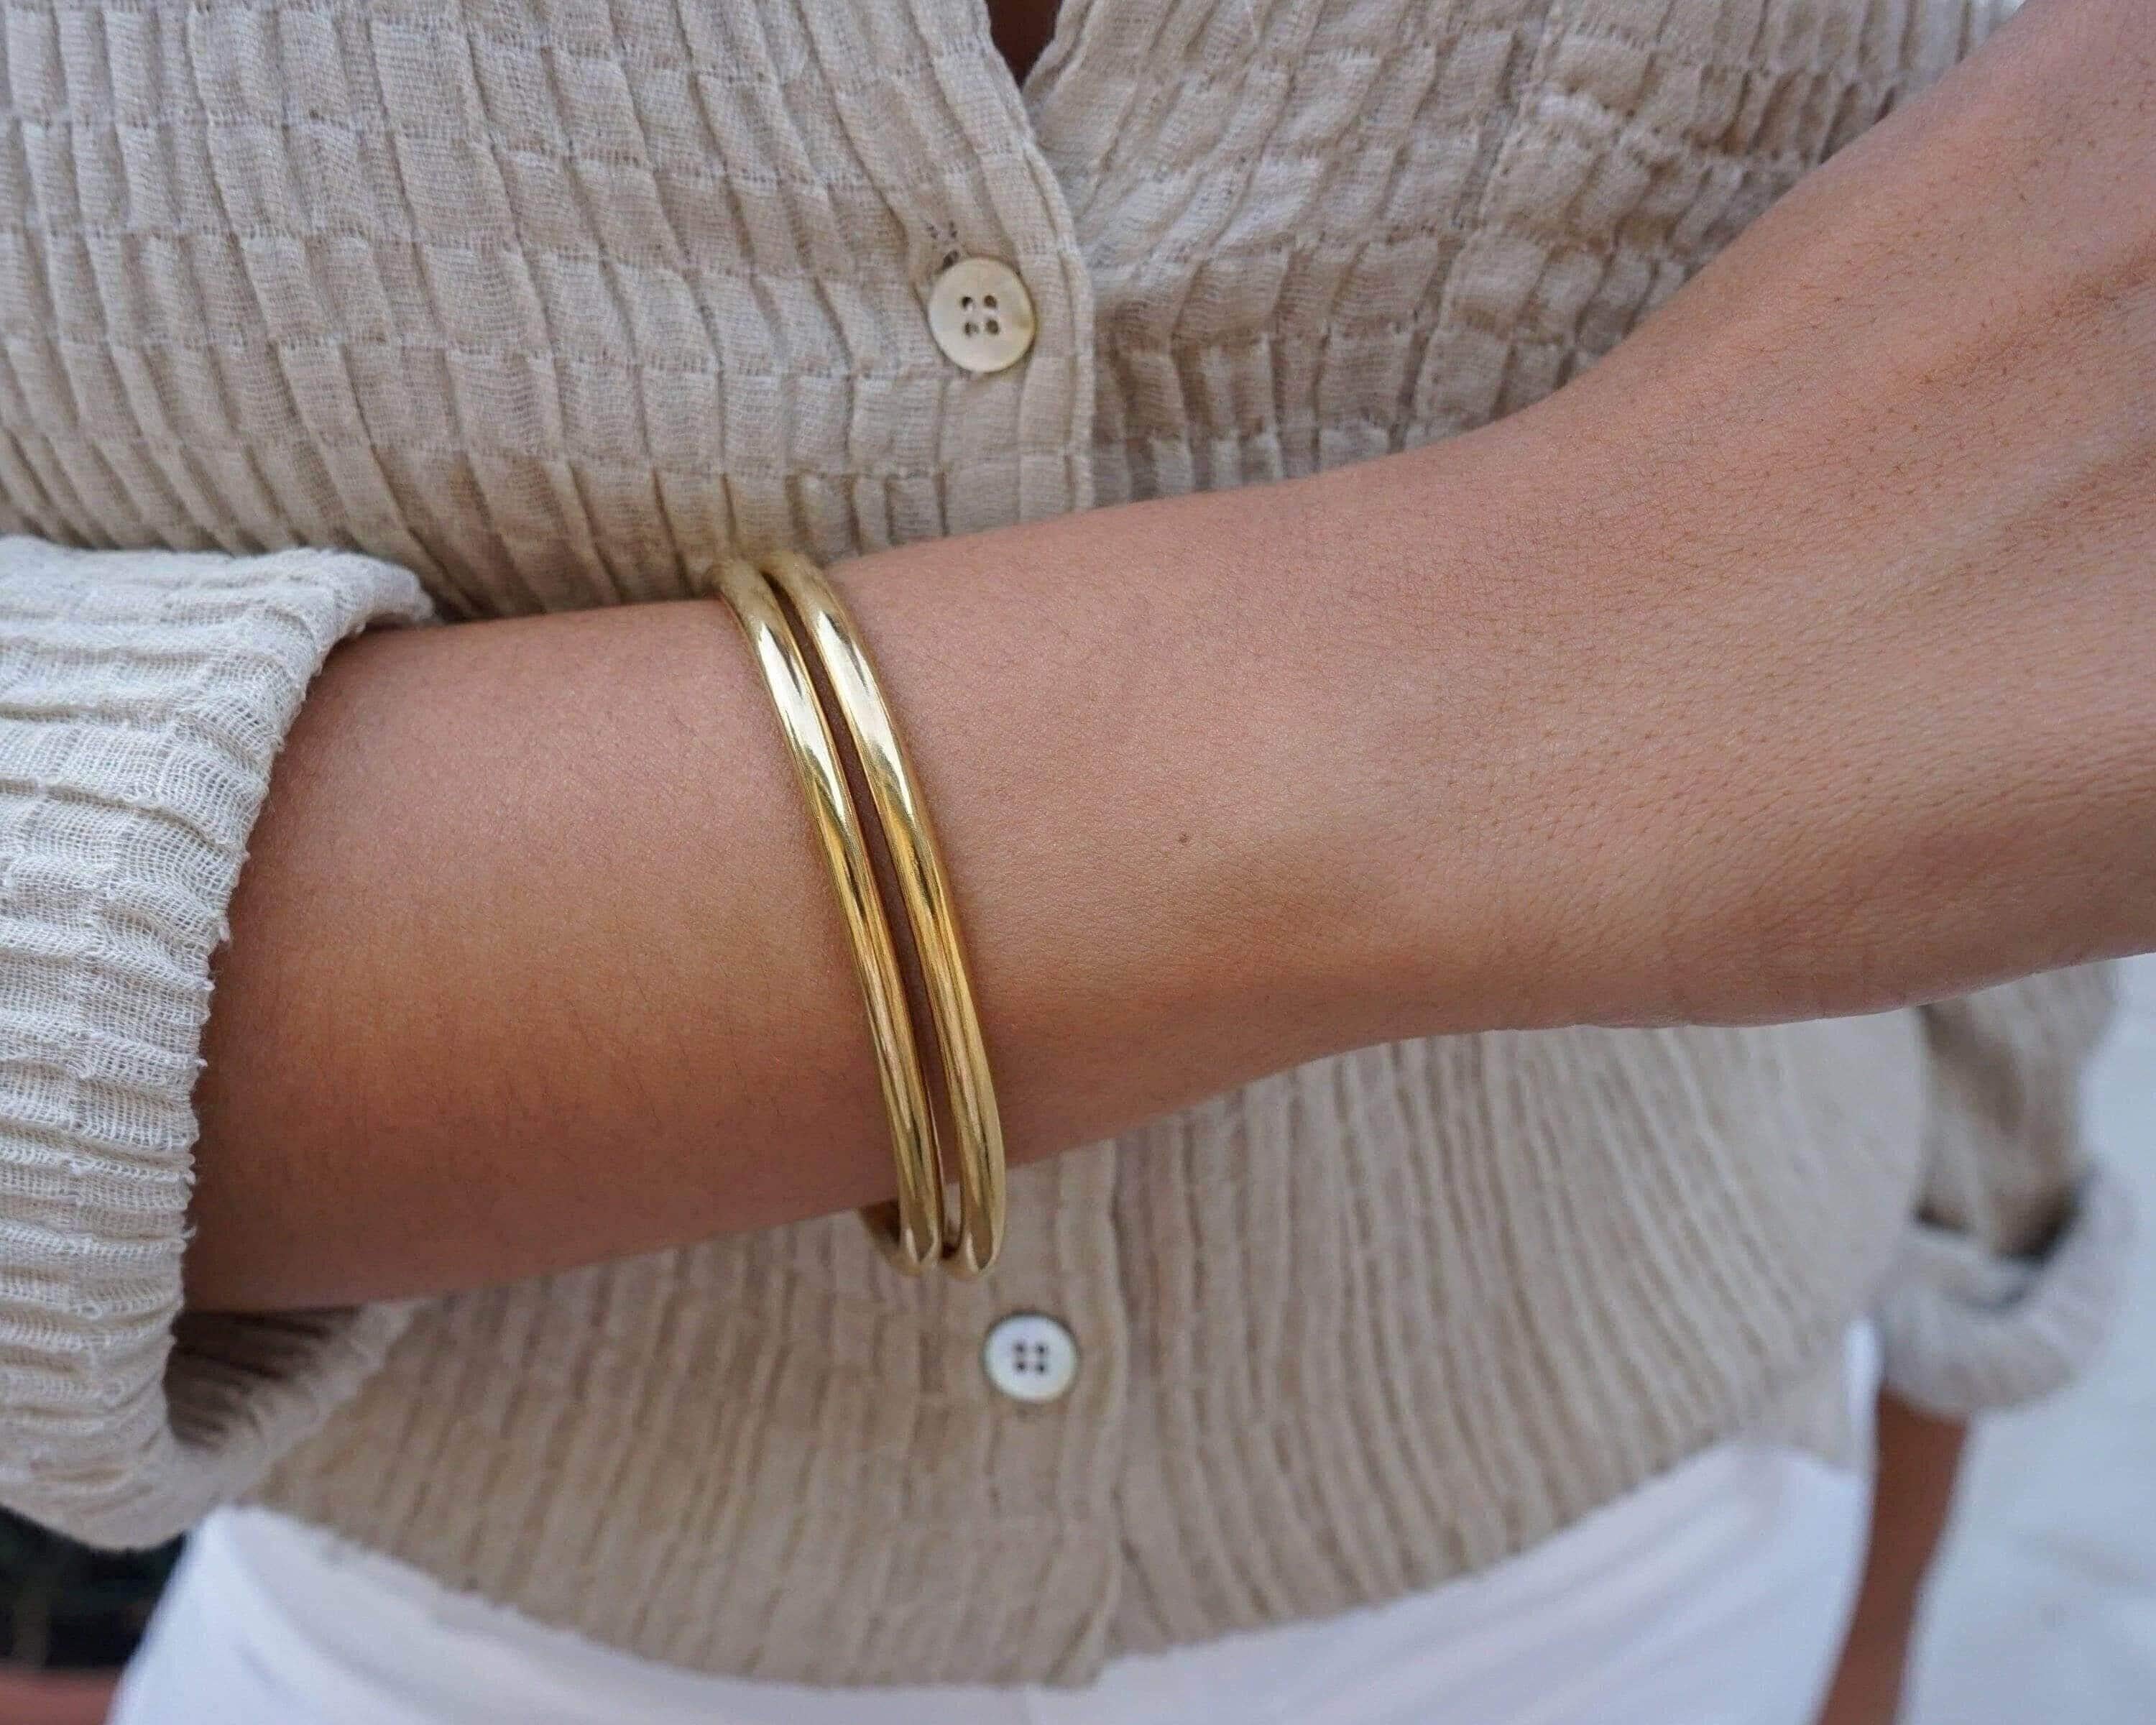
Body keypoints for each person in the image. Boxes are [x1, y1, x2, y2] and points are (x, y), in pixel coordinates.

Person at [0, 0, 2147, 1719]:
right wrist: (1494, 676)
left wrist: (1903, 1527)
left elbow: (2032, 574)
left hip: (1661, 1544)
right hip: (433, 1628)